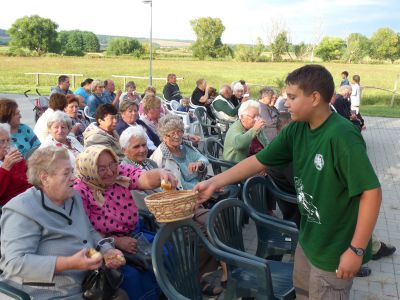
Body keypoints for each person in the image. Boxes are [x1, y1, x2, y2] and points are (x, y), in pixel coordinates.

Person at [195, 64, 382, 300]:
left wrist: (356, 249)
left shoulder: (342, 136)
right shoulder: (297, 129)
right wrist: (215, 182)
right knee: (302, 292)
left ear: (315, 98)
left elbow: (371, 192)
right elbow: (259, 161)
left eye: (292, 97)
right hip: (309, 238)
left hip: (335, 248)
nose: (286, 103)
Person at [0, 146, 127, 300]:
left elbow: (89, 231)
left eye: (72, 171)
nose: (74, 178)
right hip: (47, 293)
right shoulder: (21, 209)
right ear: (44, 178)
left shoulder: (74, 197)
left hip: (87, 284)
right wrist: (69, 263)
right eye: (66, 173)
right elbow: (15, 263)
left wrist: (106, 250)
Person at [74, 145, 177, 300]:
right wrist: (117, 241)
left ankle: (169, 293)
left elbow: (143, 178)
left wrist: (161, 174)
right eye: (101, 169)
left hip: (135, 232)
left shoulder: (120, 174)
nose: (109, 172)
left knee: (165, 251)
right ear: (89, 170)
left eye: (112, 165)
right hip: (105, 244)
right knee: (132, 276)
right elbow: (86, 230)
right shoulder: (80, 191)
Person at [151, 114, 209, 190]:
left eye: (179, 132)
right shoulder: (163, 158)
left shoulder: (184, 147)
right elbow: (180, 185)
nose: (177, 136)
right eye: (172, 133)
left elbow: (204, 159)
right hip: (184, 195)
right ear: (164, 137)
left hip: (199, 186)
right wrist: (206, 186)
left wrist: (199, 163)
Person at [120, 126, 161, 210]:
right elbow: (145, 206)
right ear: (124, 150)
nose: (142, 150)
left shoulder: (151, 163)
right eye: (136, 147)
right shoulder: (125, 173)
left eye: (144, 145)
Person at [0, 123, 31, 205]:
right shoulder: (7, 163)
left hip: (28, 198)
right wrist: (5, 168)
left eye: (8, 140)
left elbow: (29, 179)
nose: (6, 145)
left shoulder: (14, 158)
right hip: (11, 206)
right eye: (2, 141)